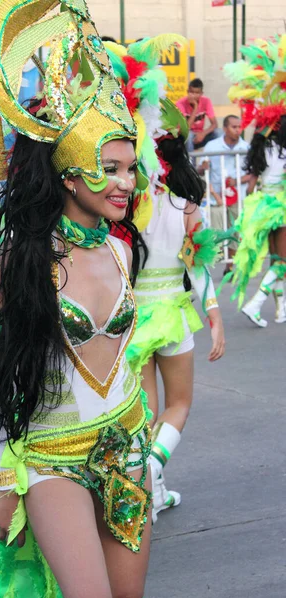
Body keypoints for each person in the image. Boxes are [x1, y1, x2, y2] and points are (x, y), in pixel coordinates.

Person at [0, 5, 182, 598]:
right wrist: (6, 477)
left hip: (126, 444)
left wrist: (154, 448)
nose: (128, 182)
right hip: (50, 457)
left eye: (131, 169)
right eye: (111, 168)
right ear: (70, 174)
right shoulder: (22, 265)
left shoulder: (124, 255)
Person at [126, 102, 226, 517]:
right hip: (171, 315)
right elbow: (198, 267)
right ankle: (152, 469)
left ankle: (153, 493)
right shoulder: (186, 207)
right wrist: (215, 317)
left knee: (147, 414)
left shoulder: (124, 206)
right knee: (179, 405)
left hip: (133, 319)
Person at [224, 35, 286, 326]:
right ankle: (256, 301)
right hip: (281, 207)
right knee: (283, 262)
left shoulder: (263, 147)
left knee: (278, 260)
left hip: (264, 204)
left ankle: (279, 309)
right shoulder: (283, 150)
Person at [198, 115, 250, 273]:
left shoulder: (246, 147)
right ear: (225, 129)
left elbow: (253, 172)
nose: (238, 130)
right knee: (217, 231)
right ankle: (214, 262)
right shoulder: (212, 146)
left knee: (235, 229)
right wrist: (203, 167)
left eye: (239, 127)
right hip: (216, 199)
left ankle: (230, 265)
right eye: (234, 127)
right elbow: (200, 168)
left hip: (237, 198)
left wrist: (238, 181)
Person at [177, 78, 219, 151]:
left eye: (197, 93)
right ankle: (190, 162)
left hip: (200, 135)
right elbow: (185, 129)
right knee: (189, 135)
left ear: (201, 94)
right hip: (184, 138)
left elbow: (214, 124)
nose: (193, 95)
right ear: (187, 92)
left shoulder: (206, 101)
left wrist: (203, 133)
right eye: (191, 92)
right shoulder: (180, 104)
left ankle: (217, 161)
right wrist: (195, 108)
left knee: (219, 133)